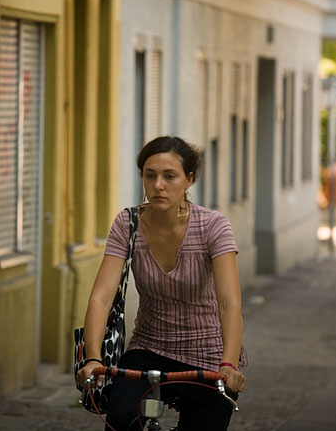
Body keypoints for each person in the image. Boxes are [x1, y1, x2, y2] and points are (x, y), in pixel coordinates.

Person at [76, 136, 247, 430]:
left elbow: (229, 303)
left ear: (188, 180)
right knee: (120, 419)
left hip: (207, 356)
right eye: (150, 175)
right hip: (149, 348)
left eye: (170, 176)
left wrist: (228, 365)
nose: (158, 185)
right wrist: (92, 358)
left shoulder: (213, 226)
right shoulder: (127, 223)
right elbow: (100, 298)